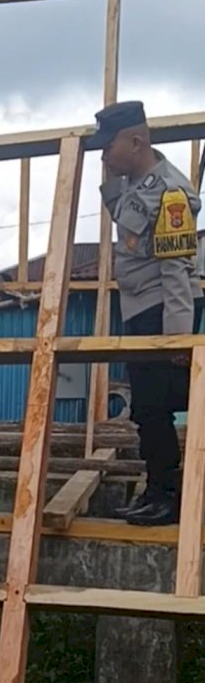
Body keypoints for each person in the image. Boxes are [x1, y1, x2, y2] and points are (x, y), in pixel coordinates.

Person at [94, 101, 203, 526]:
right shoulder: (135, 183)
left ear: (136, 142)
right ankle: (156, 488)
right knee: (146, 408)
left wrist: (176, 339)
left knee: (157, 406)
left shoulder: (170, 194)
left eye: (109, 146)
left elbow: (176, 271)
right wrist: (109, 174)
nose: (104, 155)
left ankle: (169, 496)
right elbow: (122, 217)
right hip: (141, 307)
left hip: (164, 309)